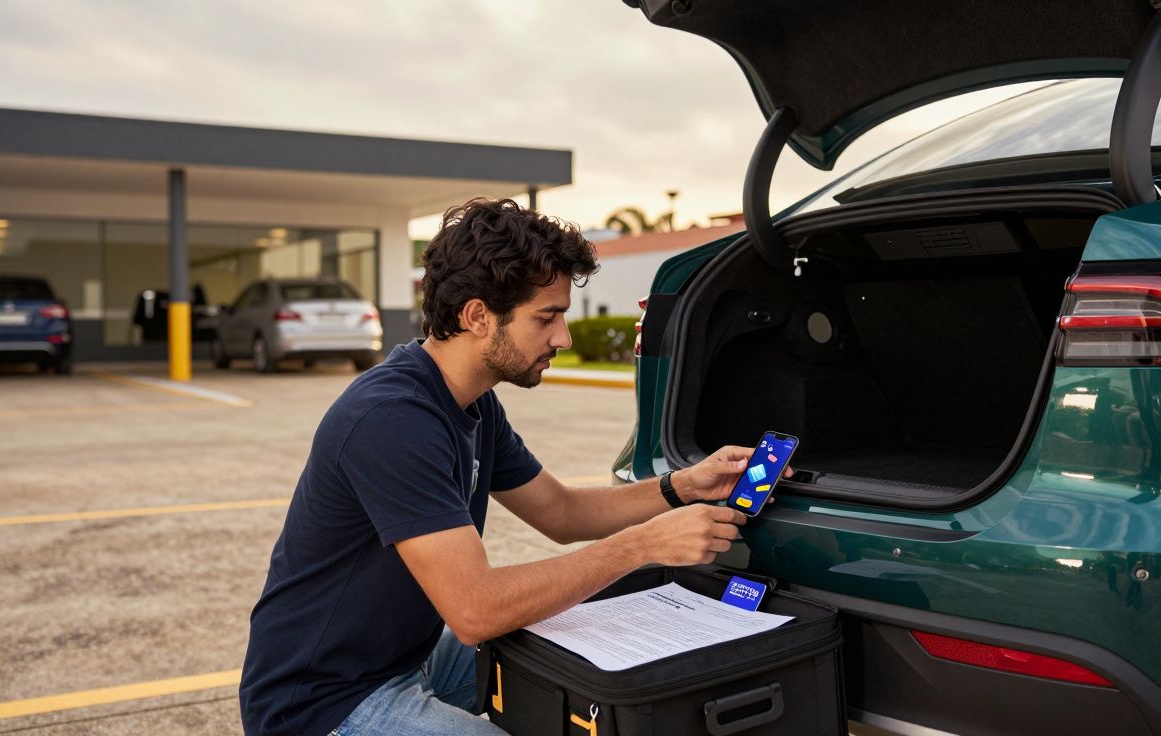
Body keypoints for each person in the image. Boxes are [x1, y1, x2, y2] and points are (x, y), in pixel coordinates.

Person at [240, 198, 774, 736]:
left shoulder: (471, 403)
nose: (563, 337)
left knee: (590, 665)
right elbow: (475, 610)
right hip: (321, 704)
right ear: (477, 316)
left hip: (408, 659)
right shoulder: (391, 418)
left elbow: (561, 512)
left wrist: (682, 486)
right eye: (547, 317)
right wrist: (642, 545)